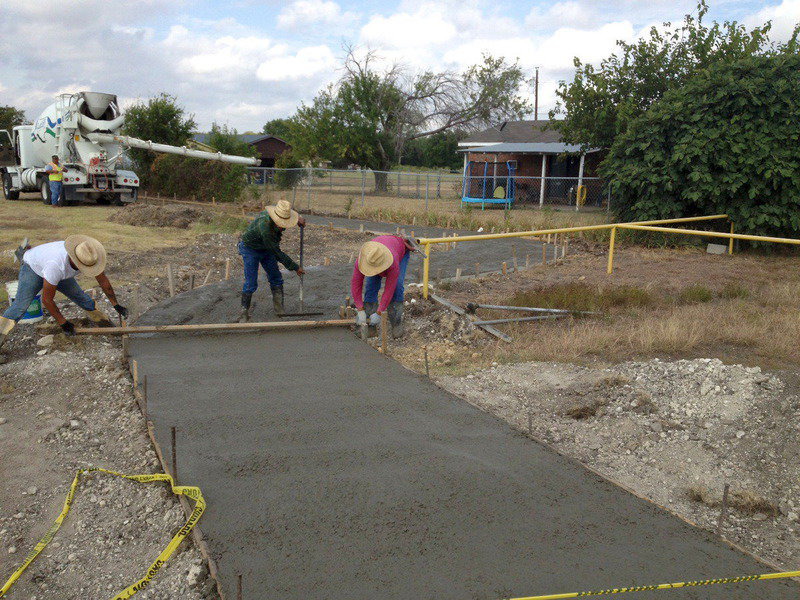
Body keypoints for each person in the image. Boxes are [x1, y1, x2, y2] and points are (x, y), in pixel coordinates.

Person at [0, 235, 128, 361]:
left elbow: (103, 281)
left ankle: (106, 326)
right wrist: (63, 323)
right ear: (75, 261)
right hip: (32, 268)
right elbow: (47, 300)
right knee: (20, 307)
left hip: (55, 271)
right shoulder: (56, 266)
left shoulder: (90, 256)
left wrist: (116, 304)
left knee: (81, 298)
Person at [237, 200, 305, 321]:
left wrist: (297, 219)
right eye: (281, 224)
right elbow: (276, 252)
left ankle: (279, 310)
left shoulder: (279, 214)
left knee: (276, 277)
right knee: (251, 282)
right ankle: (244, 312)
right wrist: (295, 267)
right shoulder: (265, 228)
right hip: (250, 248)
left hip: (266, 248)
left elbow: (290, 216)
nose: (283, 226)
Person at [351, 235, 414, 338]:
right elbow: (356, 284)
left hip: (399, 251)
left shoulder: (393, 263)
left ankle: (396, 322)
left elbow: (389, 289)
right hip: (378, 253)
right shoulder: (364, 260)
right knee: (371, 286)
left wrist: (380, 312)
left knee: (397, 287)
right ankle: (371, 327)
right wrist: (360, 309)